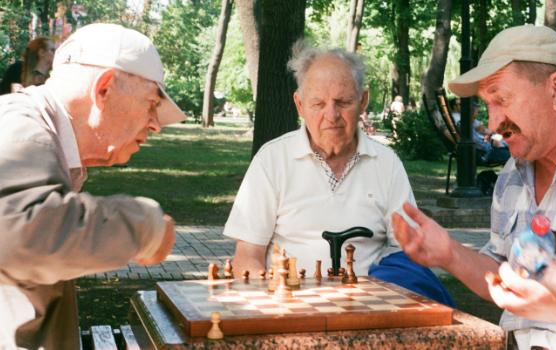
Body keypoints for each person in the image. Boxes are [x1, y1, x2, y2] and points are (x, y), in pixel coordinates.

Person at [393, 25, 556, 349]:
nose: (494, 124)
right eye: (487, 105)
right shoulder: (512, 174)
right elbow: (501, 273)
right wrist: (449, 253)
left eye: (501, 100)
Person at [0, 23, 186, 349]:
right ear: (104, 89)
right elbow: (19, 232)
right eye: (152, 103)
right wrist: (146, 226)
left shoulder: (36, 129)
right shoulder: (19, 125)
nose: (155, 124)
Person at [223, 42, 453, 306]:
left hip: (371, 311)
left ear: (363, 101)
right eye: (318, 103)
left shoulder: (386, 163)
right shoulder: (272, 160)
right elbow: (247, 255)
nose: (331, 115)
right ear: (299, 104)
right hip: (291, 309)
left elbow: (407, 253)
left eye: (343, 102)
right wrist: (272, 303)